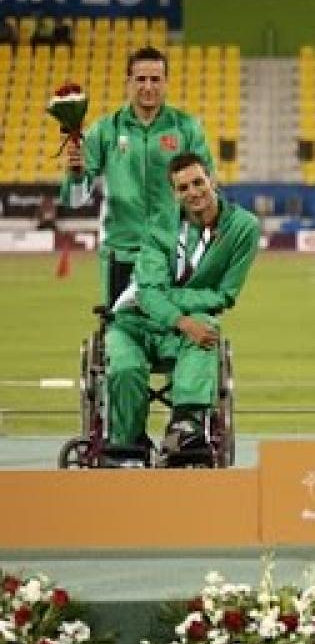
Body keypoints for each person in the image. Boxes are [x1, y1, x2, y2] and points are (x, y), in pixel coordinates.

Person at [105, 153, 260, 461]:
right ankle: (128, 441)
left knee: (205, 331)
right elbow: (147, 294)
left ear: (212, 180)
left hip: (184, 320)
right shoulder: (160, 227)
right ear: (174, 193)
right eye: (183, 187)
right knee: (125, 366)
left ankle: (185, 428)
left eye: (198, 182)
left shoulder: (244, 228)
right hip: (134, 322)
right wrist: (179, 316)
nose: (193, 192)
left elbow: (225, 295)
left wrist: (169, 299)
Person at [62, 46, 215, 308]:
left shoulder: (187, 128)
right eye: (141, 79)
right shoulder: (105, 130)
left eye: (155, 79)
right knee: (121, 333)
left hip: (173, 252)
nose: (148, 86)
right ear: (128, 83)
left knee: (172, 334)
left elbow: (207, 191)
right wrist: (76, 175)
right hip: (120, 251)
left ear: (166, 83)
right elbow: (75, 201)